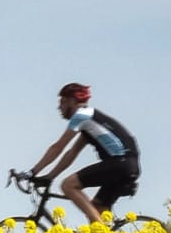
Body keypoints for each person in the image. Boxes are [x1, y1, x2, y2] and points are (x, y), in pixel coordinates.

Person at [24, 82, 140, 222]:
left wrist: (32, 172)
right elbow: (71, 153)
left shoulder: (81, 116)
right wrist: (50, 176)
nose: (59, 107)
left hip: (120, 162)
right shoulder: (90, 121)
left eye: (62, 102)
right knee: (98, 209)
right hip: (128, 165)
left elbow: (58, 147)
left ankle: (100, 229)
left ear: (72, 101)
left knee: (68, 185)